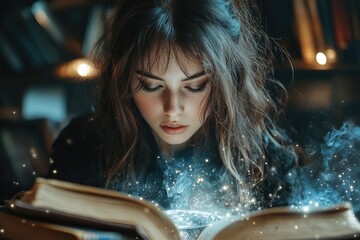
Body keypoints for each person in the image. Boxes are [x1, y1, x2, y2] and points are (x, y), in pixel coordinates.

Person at [47, 0, 305, 216]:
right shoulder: (81, 148)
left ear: (227, 81)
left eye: (195, 87)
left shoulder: (265, 162)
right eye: (150, 86)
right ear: (123, 78)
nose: (172, 109)